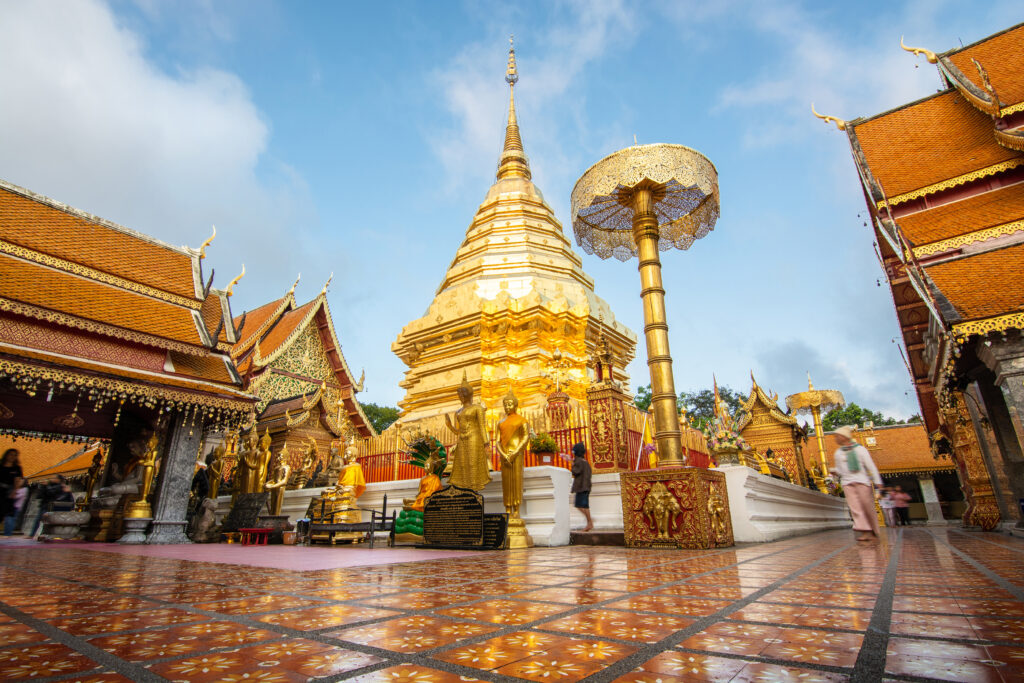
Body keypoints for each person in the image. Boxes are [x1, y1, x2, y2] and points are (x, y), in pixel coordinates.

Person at [832, 425, 882, 541]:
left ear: (844, 437)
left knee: (867, 507)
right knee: (856, 508)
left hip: (862, 481)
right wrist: (835, 472)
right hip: (847, 483)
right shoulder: (838, 453)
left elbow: (870, 466)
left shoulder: (860, 449)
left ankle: (874, 530)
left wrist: (878, 482)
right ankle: (866, 531)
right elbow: (840, 470)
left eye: (837, 436)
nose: (836, 439)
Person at [570, 442, 593, 532]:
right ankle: (589, 520)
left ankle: (590, 521)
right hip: (586, 486)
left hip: (582, 487)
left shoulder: (579, 461)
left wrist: (572, 464)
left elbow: (575, 471)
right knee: (582, 505)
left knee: (581, 505)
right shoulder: (585, 462)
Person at [0, 449, 23, 521]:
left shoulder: (17, 468)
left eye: (15, 455)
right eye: (11, 454)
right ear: (6, 455)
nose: (12, 457)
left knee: (3, 512)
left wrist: (14, 491)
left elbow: (18, 480)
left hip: (8, 492)